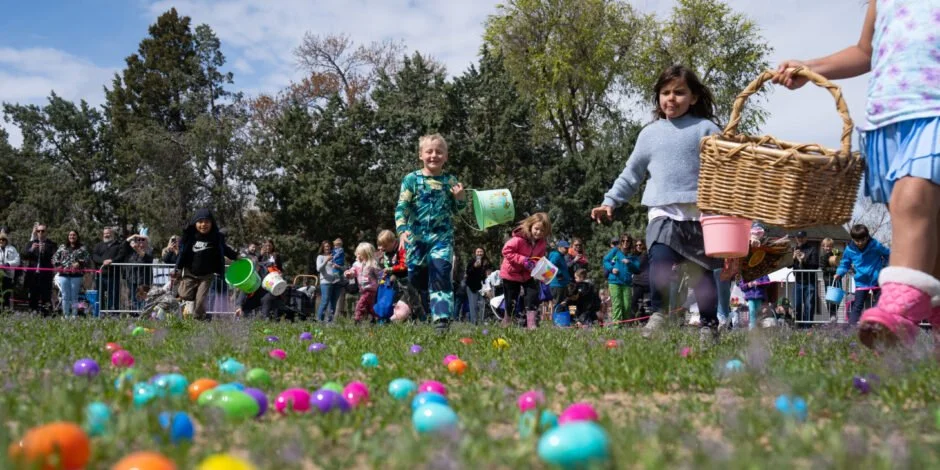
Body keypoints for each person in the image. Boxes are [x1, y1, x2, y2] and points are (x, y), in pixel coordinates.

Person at [774, 0, 939, 347]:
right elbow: (865, 51)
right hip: (893, 119)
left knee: (912, 198)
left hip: (933, 111)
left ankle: (898, 308)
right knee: (925, 220)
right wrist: (810, 66)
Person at [591, 65, 723, 345]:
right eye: (665, 92)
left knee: (700, 271)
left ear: (694, 97)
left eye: (679, 92)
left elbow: (726, 167)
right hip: (662, 212)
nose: (671, 98)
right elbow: (631, 173)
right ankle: (659, 315)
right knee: (660, 261)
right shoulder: (649, 134)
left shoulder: (707, 129)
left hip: (699, 215)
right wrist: (610, 201)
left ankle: (709, 325)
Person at [395, 133, 467, 332]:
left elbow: (458, 211)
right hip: (416, 239)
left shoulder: (450, 181)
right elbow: (402, 206)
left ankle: (441, 320)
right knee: (415, 279)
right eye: (429, 151)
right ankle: (413, 310)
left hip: (441, 239)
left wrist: (460, 198)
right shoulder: (411, 179)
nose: (434, 155)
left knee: (441, 273)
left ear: (446, 156)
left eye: (439, 152)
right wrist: (401, 231)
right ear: (421, 155)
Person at [174, 209, 239, 321]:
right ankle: (191, 291)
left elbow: (225, 249)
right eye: (200, 222)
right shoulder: (190, 236)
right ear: (195, 223)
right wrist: (177, 268)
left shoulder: (216, 237)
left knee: (200, 301)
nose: (203, 225)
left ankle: (198, 320)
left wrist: (237, 257)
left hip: (206, 275)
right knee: (184, 295)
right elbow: (182, 253)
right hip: (190, 272)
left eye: (207, 222)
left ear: (212, 223)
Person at [499, 212, 551, 329]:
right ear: (530, 226)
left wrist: (541, 267)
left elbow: (539, 257)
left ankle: (531, 324)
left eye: (542, 231)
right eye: (536, 229)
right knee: (511, 300)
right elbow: (506, 251)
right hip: (511, 273)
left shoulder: (542, 243)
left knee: (532, 296)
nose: (539, 232)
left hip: (528, 275)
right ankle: (507, 322)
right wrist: (523, 260)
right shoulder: (518, 239)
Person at [835, 225, 890, 326]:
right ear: (853, 239)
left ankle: (879, 327)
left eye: (862, 240)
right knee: (857, 306)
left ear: (867, 237)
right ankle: (849, 331)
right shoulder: (849, 250)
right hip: (861, 281)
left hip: (876, 279)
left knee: (882, 303)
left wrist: (884, 266)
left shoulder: (875, 245)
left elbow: (888, 254)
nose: (860, 243)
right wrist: (839, 273)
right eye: (857, 240)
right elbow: (845, 263)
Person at [51, 231, 91, 317]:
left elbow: (87, 259)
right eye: (70, 235)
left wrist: (79, 263)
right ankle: (66, 315)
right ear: (68, 236)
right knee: (65, 296)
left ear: (77, 236)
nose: (72, 236)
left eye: (74, 235)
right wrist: (60, 265)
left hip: (76, 275)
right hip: (63, 275)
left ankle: (74, 315)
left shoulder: (82, 248)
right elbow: (54, 258)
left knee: (74, 296)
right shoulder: (62, 247)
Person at [604, 234, 641, 326]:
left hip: (626, 283)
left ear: (630, 242)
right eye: (623, 241)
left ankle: (625, 326)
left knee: (627, 306)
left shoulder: (632, 255)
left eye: (627, 241)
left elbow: (637, 270)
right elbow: (605, 261)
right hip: (614, 282)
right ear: (620, 242)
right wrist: (611, 269)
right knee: (617, 304)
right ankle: (616, 326)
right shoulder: (615, 251)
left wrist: (629, 263)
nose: (625, 243)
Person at [22, 223, 57, 313]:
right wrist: (31, 249)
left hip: (45, 276)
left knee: (46, 297)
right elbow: (24, 256)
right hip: (33, 275)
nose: (40, 233)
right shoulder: (31, 243)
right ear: (36, 232)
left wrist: (45, 250)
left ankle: (46, 316)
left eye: (43, 231)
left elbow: (55, 258)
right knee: (33, 296)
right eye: (38, 231)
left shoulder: (52, 244)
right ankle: (33, 314)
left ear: (46, 232)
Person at [91, 227, 127, 312]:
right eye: (105, 233)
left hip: (114, 275)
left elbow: (121, 256)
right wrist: (103, 261)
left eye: (108, 233)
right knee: (100, 295)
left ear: (113, 234)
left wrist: (112, 261)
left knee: (114, 295)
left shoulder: (119, 245)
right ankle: (101, 312)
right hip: (100, 275)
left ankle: (113, 313)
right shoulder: (98, 245)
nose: (107, 235)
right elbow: (94, 256)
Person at [344, 242, 381, 324]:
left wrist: (382, 281)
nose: (357, 256)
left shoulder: (372, 264)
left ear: (367, 255)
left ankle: (357, 319)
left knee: (360, 304)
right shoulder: (356, 264)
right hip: (362, 289)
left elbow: (379, 275)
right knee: (369, 307)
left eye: (360, 254)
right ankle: (377, 318)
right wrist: (349, 273)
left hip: (370, 289)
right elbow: (353, 272)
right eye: (357, 254)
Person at [790, 230, 820, 326]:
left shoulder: (812, 249)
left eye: (802, 237)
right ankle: (799, 326)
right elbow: (787, 265)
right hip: (798, 281)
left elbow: (815, 265)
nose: (800, 239)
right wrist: (793, 258)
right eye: (799, 238)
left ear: (806, 238)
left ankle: (808, 328)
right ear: (796, 239)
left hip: (810, 282)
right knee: (796, 305)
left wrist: (804, 259)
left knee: (809, 305)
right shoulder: (794, 249)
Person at [464, 247, 493, 325]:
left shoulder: (487, 262)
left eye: (481, 252)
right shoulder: (471, 261)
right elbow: (468, 272)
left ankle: (481, 322)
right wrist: (474, 267)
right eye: (478, 252)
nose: (479, 253)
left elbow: (489, 274)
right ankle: (474, 323)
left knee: (482, 304)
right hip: (472, 286)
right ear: (475, 253)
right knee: (473, 306)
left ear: (484, 253)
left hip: (483, 287)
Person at [316, 241, 341, 322]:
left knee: (333, 303)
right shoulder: (320, 257)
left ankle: (330, 322)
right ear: (323, 248)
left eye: (329, 246)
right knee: (325, 301)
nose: (328, 248)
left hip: (336, 282)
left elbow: (341, 268)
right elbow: (318, 269)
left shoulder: (334, 257)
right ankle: (319, 321)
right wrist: (326, 260)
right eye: (326, 246)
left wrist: (339, 267)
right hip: (325, 282)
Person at [546, 240, 572, 315]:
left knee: (562, 303)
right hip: (557, 284)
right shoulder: (556, 255)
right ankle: (556, 321)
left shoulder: (561, 256)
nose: (567, 250)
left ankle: (561, 320)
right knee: (558, 303)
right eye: (565, 248)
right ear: (559, 247)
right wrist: (559, 274)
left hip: (562, 284)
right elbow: (550, 265)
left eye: (567, 248)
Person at [819, 237, 840, 322]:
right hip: (828, 279)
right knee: (830, 297)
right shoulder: (823, 257)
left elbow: (842, 260)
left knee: (838, 296)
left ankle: (834, 312)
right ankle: (832, 314)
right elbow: (824, 268)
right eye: (826, 246)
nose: (828, 248)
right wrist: (835, 270)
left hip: (838, 278)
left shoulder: (836, 253)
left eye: (830, 246)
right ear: (823, 247)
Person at [0, 232, 21, 309]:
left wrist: (8, 264)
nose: (1, 241)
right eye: (0, 239)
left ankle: (6, 313)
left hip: (8, 276)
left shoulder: (12, 249)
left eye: (3, 239)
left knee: (6, 296)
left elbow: (17, 261)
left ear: (6, 240)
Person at [631, 239, 651, 318]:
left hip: (644, 283)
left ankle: (641, 319)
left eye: (640, 245)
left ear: (643, 245)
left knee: (642, 303)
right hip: (636, 282)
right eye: (636, 245)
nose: (638, 246)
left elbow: (639, 266)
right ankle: (634, 320)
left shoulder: (646, 255)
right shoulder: (635, 256)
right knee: (636, 303)